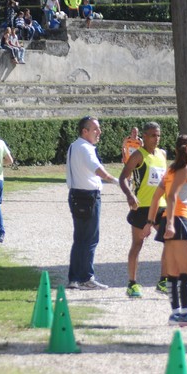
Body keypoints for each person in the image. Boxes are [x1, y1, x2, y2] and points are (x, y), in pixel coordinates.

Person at [142, 134, 187, 326]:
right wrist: (171, 223)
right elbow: (170, 197)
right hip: (178, 221)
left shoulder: (170, 171)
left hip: (168, 220)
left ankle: (175, 314)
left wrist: (149, 222)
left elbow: (157, 198)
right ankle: (186, 313)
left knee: (172, 271)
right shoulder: (185, 171)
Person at [66, 116, 119, 290]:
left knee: (80, 238)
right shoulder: (86, 148)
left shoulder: (74, 146)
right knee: (90, 239)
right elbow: (97, 169)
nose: (99, 132)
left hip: (76, 195)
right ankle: (86, 278)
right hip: (88, 197)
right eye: (95, 129)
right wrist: (116, 181)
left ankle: (74, 278)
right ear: (85, 131)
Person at [119, 121, 167, 298]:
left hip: (161, 206)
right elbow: (123, 178)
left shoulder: (162, 154)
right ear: (144, 137)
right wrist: (130, 196)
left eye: (158, 135)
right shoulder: (138, 155)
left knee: (170, 241)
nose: (156, 138)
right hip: (142, 206)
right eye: (153, 135)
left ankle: (163, 281)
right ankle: (132, 283)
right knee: (137, 245)